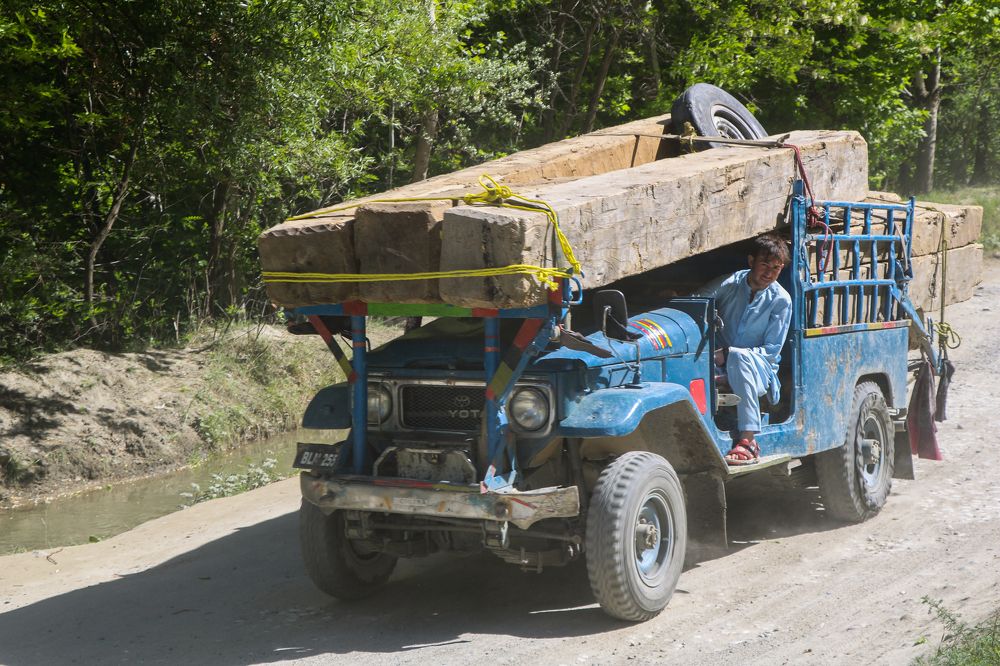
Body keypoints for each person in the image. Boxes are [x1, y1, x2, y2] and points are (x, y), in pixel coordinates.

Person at [698, 234, 792, 466]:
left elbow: (771, 352)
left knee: (739, 357)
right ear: (751, 261)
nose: (769, 273)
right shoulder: (730, 283)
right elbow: (698, 301)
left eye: (776, 268)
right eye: (765, 264)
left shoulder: (781, 300)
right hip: (717, 364)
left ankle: (748, 440)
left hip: (759, 369)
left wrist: (728, 353)